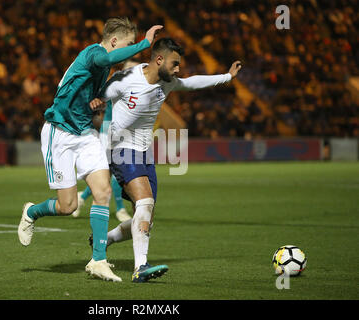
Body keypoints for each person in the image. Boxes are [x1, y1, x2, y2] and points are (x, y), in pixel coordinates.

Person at [17, 17, 163, 282]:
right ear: (115, 41)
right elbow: (107, 59)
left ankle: (98, 259)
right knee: (67, 205)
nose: (125, 52)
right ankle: (32, 212)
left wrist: (97, 109)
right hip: (59, 133)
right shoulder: (93, 54)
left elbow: (90, 107)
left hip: (85, 134)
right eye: (126, 45)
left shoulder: (101, 73)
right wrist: (144, 44)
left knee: (103, 191)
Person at [92, 37, 242, 282]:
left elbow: (192, 83)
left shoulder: (168, 83)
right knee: (145, 202)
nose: (177, 69)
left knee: (146, 219)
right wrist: (91, 105)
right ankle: (140, 268)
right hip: (121, 148)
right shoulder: (126, 79)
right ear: (158, 59)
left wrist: (227, 76)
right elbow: (96, 96)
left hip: (144, 153)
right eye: (174, 64)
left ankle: (104, 239)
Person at [72, 60, 140, 222]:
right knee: (115, 171)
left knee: (108, 173)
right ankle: (120, 210)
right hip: (108, 132)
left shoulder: (137, 89)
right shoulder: (116, 85)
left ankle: (82, 197)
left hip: (124, 133)